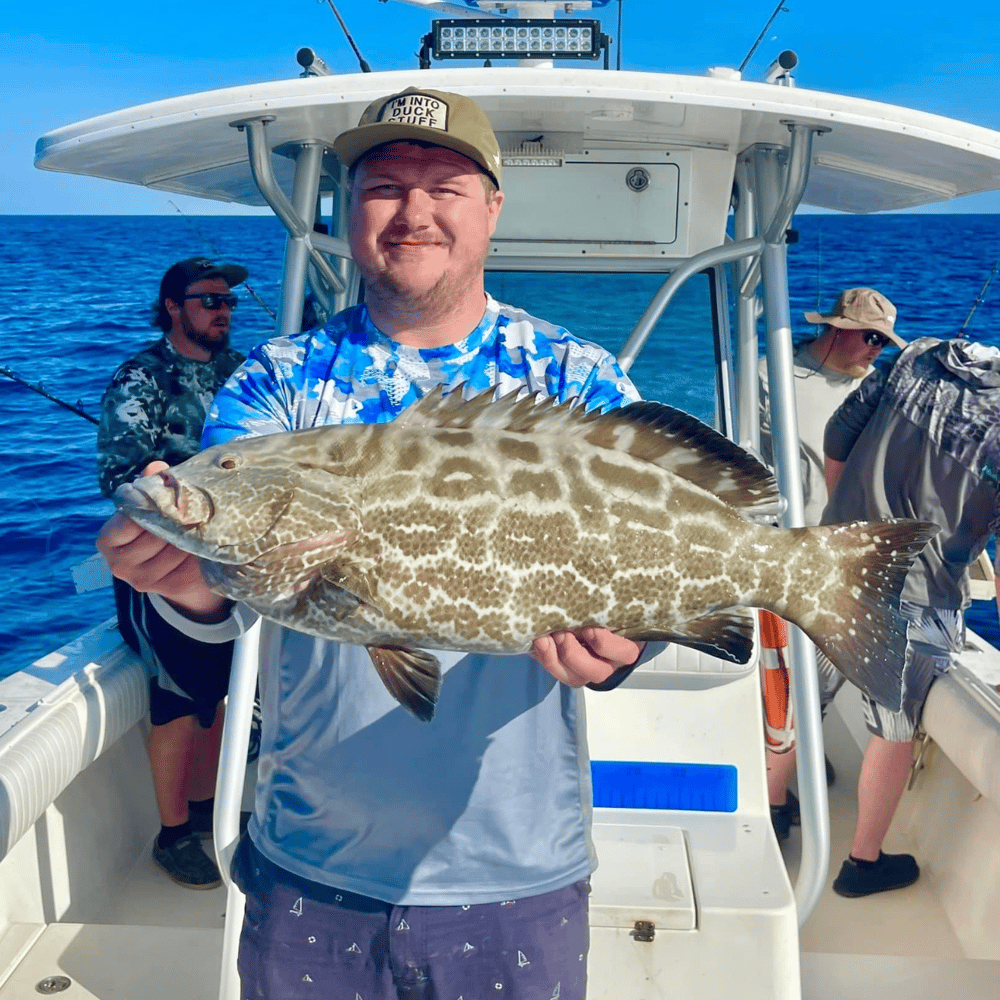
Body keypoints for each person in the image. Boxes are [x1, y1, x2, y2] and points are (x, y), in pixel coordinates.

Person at [97, 88, 654, 999]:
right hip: (310, 860)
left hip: (520, 866)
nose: (416, 211)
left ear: (493, 210)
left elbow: (658, 542)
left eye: (447, 186)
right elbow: (222, 615)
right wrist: (184, 586)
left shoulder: (574, 378)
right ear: (349, 209)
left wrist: (631, 646)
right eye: (387, 185)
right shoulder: (278, 385)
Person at [822, 335, 1000, 897]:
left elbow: (836, 434)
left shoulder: (915, 355)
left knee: (805, 693)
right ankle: (862, 863)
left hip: (834, 557)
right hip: (917, 593)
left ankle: (777, 808)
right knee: (893, 731)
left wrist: (841, 511)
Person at [97, 257, 249, 890]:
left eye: (229, 302)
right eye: (209, 300)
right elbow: (118, 478)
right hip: (165, 565)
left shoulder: (243, 373)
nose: (223, 311)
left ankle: (213, 812)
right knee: (177, 695)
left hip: (231, 563)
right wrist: (163, 482)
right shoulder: (141, 376)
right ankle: (172, 830)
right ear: (172, 306)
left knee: (223, 688)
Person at [758, 287, 905, 839]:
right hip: (783, 551)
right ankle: (774, 792)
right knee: (786, 676)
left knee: (821, 674)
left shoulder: (875, 391)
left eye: (884, 343)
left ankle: (789, 764)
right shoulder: (771, 375)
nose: (876, 352)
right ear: (838, 329)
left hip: (842, 554)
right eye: (871, 338)